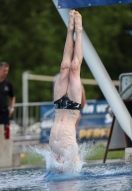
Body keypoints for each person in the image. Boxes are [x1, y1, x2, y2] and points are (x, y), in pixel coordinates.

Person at [49, 10, 83, 167]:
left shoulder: (72, 153)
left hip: (68, 136)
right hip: (56, 141)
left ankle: (78, 30)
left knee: (73, 67)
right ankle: (71, 30)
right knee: (65, 67)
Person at [0, 62, 15, 133]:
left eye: (7, 71)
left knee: (7, 133)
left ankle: (6, 144)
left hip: (4, 113)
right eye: (4, 70)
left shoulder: (8, 84)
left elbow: (12, 96)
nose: (6, 72)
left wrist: (11, 108)